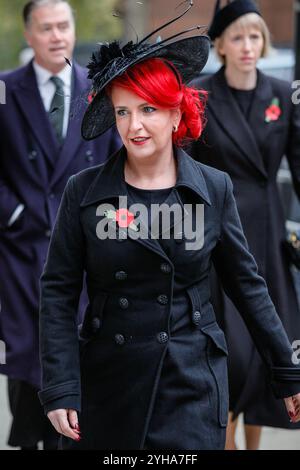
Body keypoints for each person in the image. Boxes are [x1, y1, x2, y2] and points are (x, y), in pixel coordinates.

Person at [38, 1, 300, 451]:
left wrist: (286, 368)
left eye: (148, 110)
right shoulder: (84, 192)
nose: (134, 126)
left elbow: (246, 284)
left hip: (191, 381)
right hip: (106, 384)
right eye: (122, 112)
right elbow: (58, 291)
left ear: (176, 115)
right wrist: (60, 383)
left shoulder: (212, 188)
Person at [0, 0, 120, 450]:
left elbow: (115, 163)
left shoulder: (99, 89)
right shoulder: (4, 90)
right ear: (29, 35)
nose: (57, 36)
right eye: (46, 28)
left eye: (63, 26)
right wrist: (13, 213)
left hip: (87, 249)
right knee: (28, 362)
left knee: (81, 354)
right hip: (23, 251)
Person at [189, 0, 300, 450]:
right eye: (237, 37)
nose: (248, 46)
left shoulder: (282, 93)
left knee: (264, 345)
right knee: (231, 349)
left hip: (268, 230)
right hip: (218, 232)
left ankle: (252, 445)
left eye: (255, 36)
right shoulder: (200, 93)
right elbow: (186, 167)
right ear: (219, 44)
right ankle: (224, 438)